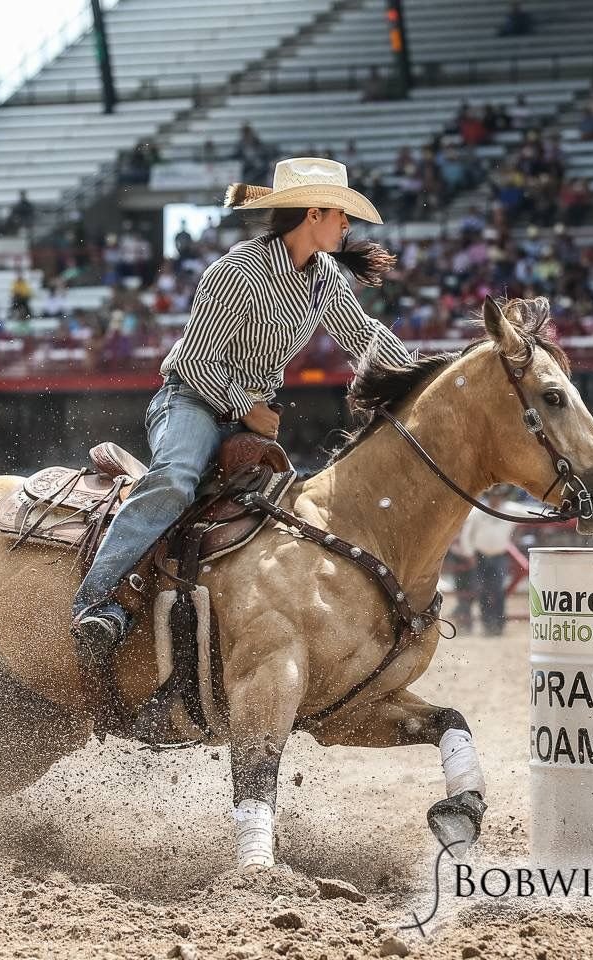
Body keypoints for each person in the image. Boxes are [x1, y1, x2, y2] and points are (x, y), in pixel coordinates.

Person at [71, 156, 416, 722]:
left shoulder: (324, 278)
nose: (347, 226)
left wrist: (419, 378)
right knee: (176, 479)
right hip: (193, 400)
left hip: (252, 416)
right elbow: (195, 360)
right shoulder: (238, 271)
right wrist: (247, 408)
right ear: (313, 214)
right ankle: (95, 601)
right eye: (341, 215)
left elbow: (363, 335)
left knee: (289, 519)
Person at [457, 486, 521, 636]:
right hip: (481, 555)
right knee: (482, 590)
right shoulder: (478, 511)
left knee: (498, 590)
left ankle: (498, 624)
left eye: (498, 496)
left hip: (499, 555)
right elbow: (466, 533)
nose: (496, 499)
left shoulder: (509, 509)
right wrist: (469, 553)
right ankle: (487, 624)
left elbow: (530, 513)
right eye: (494, 495)